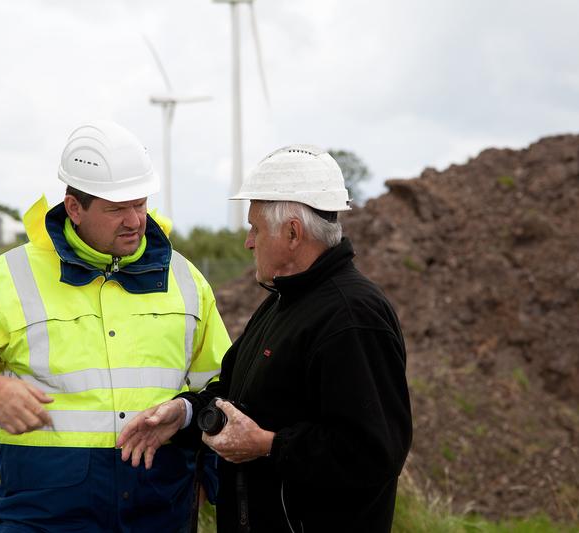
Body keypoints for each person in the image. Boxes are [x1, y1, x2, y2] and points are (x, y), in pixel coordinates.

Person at [0, 120, 231, 532]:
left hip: (159, 514)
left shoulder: (186, 280)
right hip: (42, 518)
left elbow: (224, 387)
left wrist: (203, 460)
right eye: (117, 209)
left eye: (140, 204)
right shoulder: (11, 276)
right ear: (75, 208)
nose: (135, 220)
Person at [117, 145, 413, 532]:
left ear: (292, 233)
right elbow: (236, 395)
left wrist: (269, 445)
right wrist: (185, 414)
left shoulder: (353, 317)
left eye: (255, 228)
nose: (248, 242)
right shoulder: (282, 304)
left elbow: (374, 452)